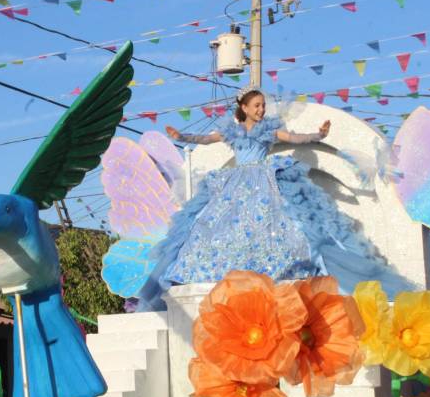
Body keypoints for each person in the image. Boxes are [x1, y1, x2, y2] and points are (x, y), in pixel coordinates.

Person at [137, 87, 412, 310]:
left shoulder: (268, 130)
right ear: (243, 108)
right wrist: (181, 135)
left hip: (265, 179)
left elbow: (294, 137)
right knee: (214, 227)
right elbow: (207, 139)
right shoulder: (232, 132)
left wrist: (319, 134)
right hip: (235, 182)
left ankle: (286, 268)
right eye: (256, 105)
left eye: (262, 105)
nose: (261, 109)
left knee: (280, 224)